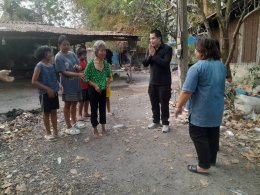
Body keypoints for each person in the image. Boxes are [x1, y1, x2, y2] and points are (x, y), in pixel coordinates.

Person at [175, 37, 226, 175]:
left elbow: (187, 91)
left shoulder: (197, 67)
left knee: (197, 135)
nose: (195, 52)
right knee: (212, 134)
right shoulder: (222, 66)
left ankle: (203, 166)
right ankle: (211, 159)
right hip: (217, 108)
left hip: (201, 110)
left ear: (203, 51)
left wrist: (179, 106)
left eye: (197, 49)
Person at [142, 29, 173, 133]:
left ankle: (165, 123)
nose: (151, 40)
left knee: (164, 104)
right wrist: (150, 55)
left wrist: (154, 55)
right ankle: (156, 121)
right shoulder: (150, 49)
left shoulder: (167, 49)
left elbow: (165, 63)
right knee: (154, 103)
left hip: (164, 82)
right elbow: (145, 63)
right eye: (150, 38)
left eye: (153, 38)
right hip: (153, 82)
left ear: (159, 38)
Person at [55, 35, 85, 135]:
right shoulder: (58, 57)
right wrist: (78, 73)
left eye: (68, 44)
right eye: (64, 45)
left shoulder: (72, 54)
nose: (66, 46)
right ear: (59, 45)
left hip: (76, 83)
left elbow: (79, 66)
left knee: (75, 103)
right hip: (67, 85)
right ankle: (68, 126)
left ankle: (74, 122)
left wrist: (78, 67)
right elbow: (63, 72)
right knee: (68, 104)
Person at [31, 46, 60, 140]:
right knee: (46, 113)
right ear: (44, 54)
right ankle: (48, 133)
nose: (51, 54)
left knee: (54, 112)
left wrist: (59, 84)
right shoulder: (39, 66)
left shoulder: (51, 65)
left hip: (54, 92)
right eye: (49, 52)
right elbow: (34, 81)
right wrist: (47, 89)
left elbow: (54, 78)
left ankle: (55, 131)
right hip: (44, 94)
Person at [84, 40, 111, 137]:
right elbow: (85, 77)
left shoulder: (106, 64)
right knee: (94, 109)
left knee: (103, 108)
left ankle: (103, 128)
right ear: (96, 51)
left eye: (104, 50)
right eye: (101, 50)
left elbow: (109, 75)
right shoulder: (90, 64)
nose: (103, 52)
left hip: (103, 90)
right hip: (93, 90)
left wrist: (107, 83)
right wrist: (95, 85)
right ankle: (95, 129)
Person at [77, 47, 90, 119]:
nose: (84, 56)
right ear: (79, 55)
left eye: (85, 54)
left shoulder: (85, 62)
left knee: (87, 99)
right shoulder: (78, 63)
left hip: (87, 84)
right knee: (81, 100)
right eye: (83, 55)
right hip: (81, 85)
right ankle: (79, 114)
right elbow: (78, 73)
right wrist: (85, 71)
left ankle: (85, 112)